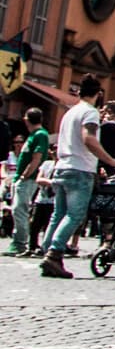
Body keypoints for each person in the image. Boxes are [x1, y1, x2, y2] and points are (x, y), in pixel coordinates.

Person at [40, 75, 115, 277]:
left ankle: (46, 251)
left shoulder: (70, 113)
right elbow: (89, 139)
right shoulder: (90, 113)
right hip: (80, 169)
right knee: (74, 215)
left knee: (59, 214)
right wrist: (110, 160)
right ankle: (54, 254)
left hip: (62, 167)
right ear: (99, 94)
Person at [5, 108, 49, 257]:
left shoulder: (40, 135)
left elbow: (37, 157)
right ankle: (18, 242)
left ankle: (20, 243)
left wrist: (25, 175)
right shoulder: (34, 135)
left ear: (26, 119)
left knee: (20, 209)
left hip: (27, 179)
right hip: (21, 177)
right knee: (17, 210)